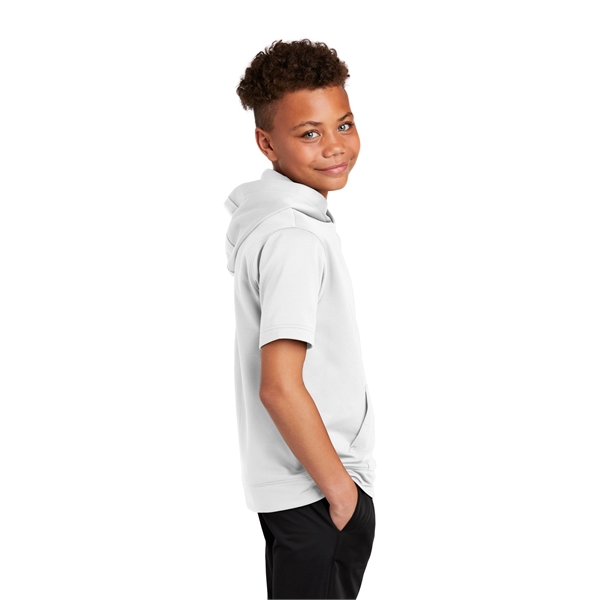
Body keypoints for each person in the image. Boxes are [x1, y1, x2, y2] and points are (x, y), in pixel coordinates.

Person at [224, 39, 376, 599]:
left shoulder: (280, 223)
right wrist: (342, 493)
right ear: (266, 142)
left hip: (301, 495)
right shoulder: (294, 237)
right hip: (316, 493)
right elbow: (280, 386)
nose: (335, 146)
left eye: (344, 124)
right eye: (309, 133)